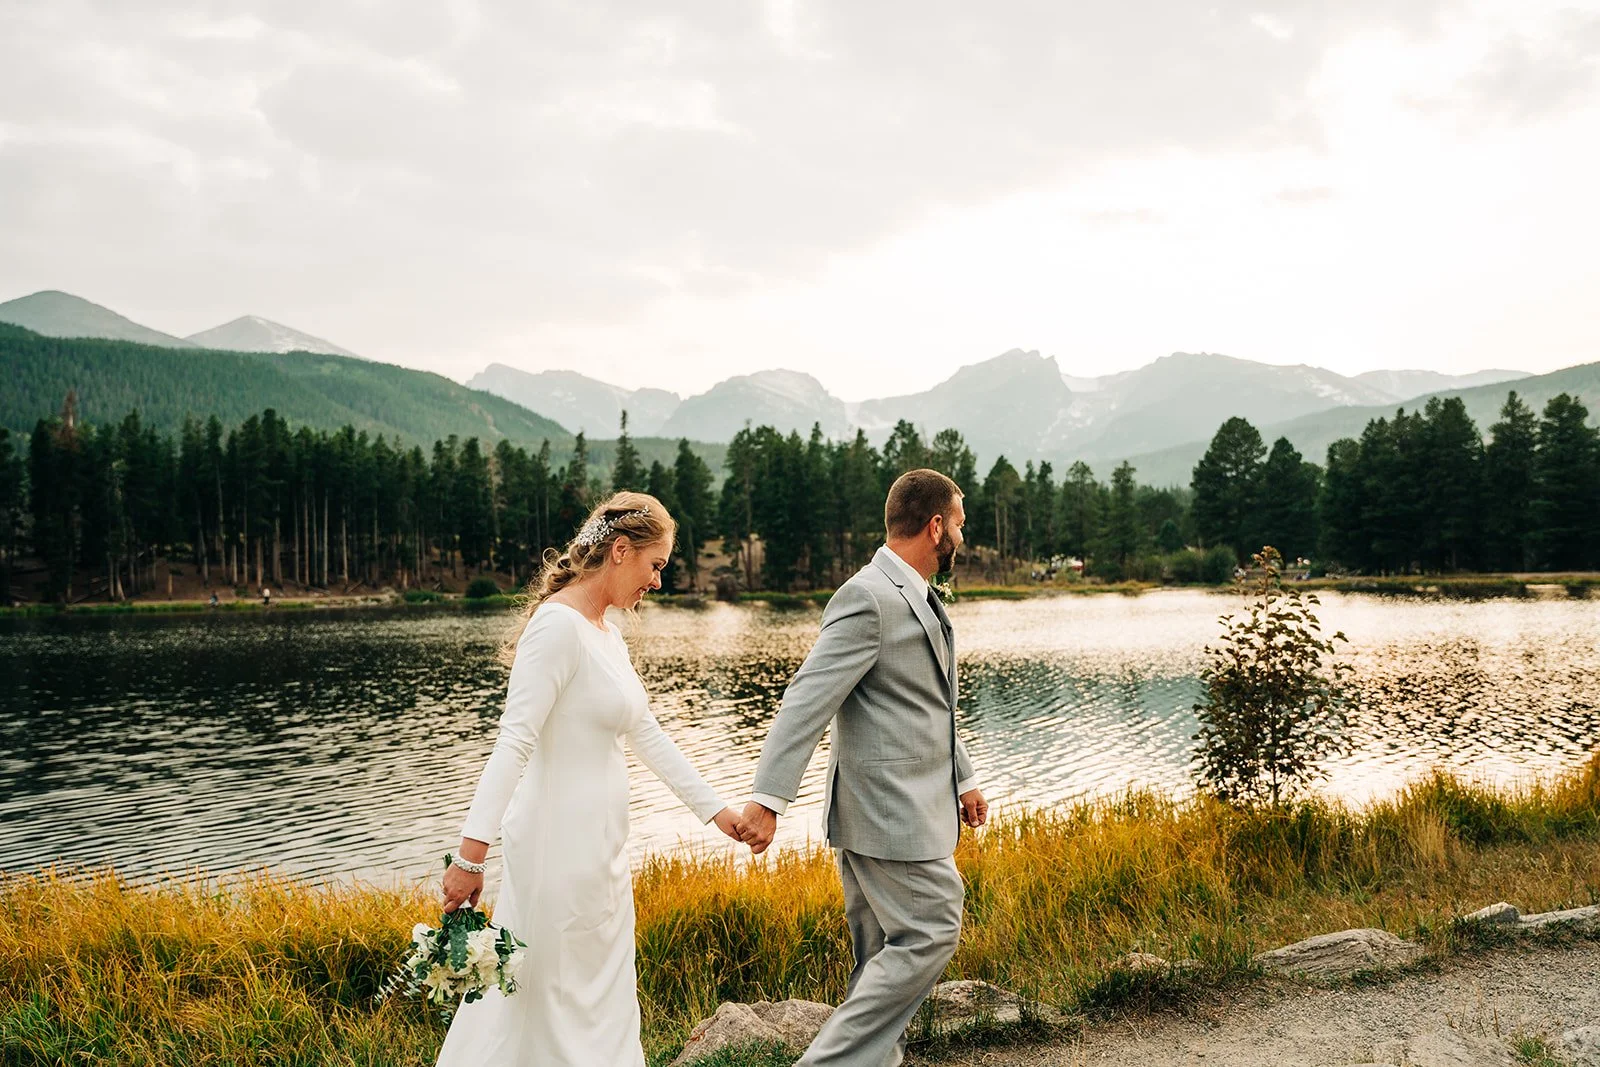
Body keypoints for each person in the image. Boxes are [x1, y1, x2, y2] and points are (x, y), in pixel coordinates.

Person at [434, 492, 745, 1067]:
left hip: (603, 849)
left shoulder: (607, 632)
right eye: (655, 566)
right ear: (620, 550)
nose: (657, 582)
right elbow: (514, 743)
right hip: (555, 848)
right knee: (547, 996)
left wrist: (717, 811)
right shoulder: (557, 629)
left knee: (601, 991)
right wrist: (471, 856)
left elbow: (645, 731)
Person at [740, 469, 988, 1066]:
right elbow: (807, 698)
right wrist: (768, 799)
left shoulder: (914, 590)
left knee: (880, 955)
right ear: (935, 527)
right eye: (958, 522)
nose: (962, 534)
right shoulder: (867, 596)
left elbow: (929, 702)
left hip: (906, 802)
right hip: (886, 810)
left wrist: (965, 776)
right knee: (932, 928)